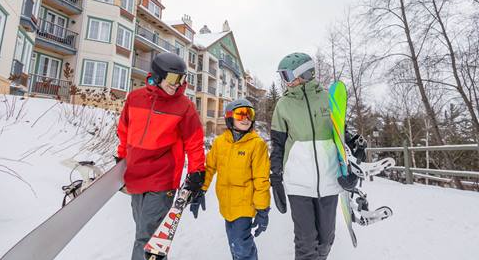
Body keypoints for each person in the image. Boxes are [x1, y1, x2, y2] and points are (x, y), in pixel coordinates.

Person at [116, 52, 205, 260]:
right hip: (136, 176)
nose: (177, 85)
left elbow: (194, 143)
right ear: (158, 75)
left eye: (181, 79)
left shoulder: (184, 107)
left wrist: (196, 173)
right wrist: (121, 160)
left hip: (162, 178)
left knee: (148, 237)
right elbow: (124, 132)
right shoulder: (135, 98)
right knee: (144, 231)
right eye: (173, 79)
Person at [270, 52, 343, 260]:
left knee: (326, 240)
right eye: (282, 76)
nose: (285, 81)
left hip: (328, 180)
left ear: (304, 73)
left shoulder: (327, 98)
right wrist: (275, 175)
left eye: (287, 75)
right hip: (298, 183)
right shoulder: (283, 105)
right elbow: (277, 143)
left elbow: (341, 136)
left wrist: (352, 156)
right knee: (306, 242)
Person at [190, 99, 271, 260]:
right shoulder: (220, 142)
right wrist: (201, 190)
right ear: (229, 118)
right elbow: (210, 167)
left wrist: (263, 210)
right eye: (240, 114)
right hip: (226, 205)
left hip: (245, 204)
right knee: (234, 243)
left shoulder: (257, 145)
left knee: (241, 245)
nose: (246, 118)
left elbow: (261, 178)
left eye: (249, 115)